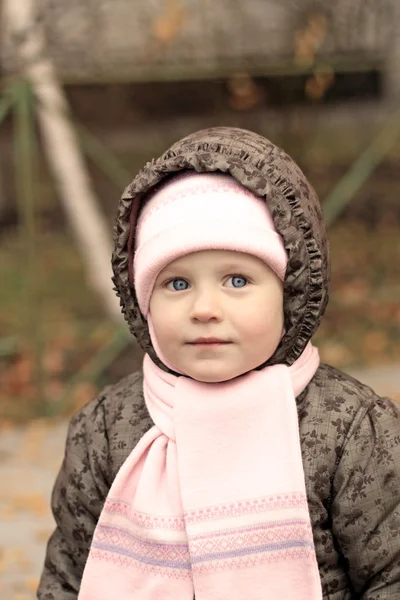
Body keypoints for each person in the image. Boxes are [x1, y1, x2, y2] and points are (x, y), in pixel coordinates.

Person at [38, 127, 400, 600]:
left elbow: (389, 574)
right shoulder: (106, 430)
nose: (204, 308)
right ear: (142, 302)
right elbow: (67, 578)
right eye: (178, 285)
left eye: (236, 279)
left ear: (289, 294)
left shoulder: (348, 429)